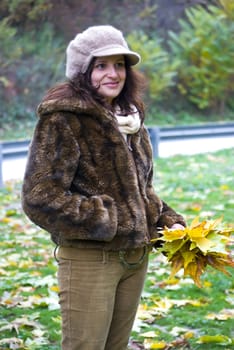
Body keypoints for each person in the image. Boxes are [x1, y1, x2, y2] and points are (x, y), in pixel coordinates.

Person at [21, 25, 186, 350]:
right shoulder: (63, 120)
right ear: (83, 71)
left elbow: (141, 190)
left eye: (120, 64)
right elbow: (40, 198)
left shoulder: (130, 120)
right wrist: (106, 219)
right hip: (90, 260)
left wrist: (168, 221)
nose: (114, 74)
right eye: (102, 66)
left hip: (135, 259)